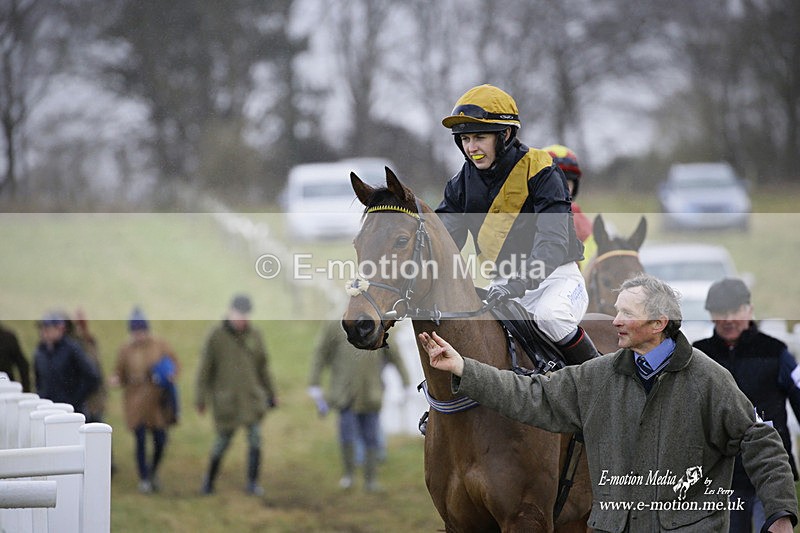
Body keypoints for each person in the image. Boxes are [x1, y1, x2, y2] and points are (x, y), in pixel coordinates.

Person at [418, 274, 797, 532]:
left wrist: (780, 512)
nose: (613, 321)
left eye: (626, 314)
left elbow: (759, 440)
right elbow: (530, 395)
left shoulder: (708, 379)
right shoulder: (596, 376)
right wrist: (465, 369)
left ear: (658, 323)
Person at [436, 84, 596, 365]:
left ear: (505, 134)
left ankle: (599, 384)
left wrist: (518, 283)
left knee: (552, 318)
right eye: (465, 139)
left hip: (554, 280)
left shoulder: (542, 170)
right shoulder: (460, 183)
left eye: (480, 137)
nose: (471, 148)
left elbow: (553, 242)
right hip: (502, 285)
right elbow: (443, 241)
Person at [693, 278, 800, 533]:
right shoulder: (698, 357)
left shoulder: (777, 352)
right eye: (721, 312)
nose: (728, 319)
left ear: (749, 310)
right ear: (710, 314)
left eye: (735, 310)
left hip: (771, 476)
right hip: (721, 478)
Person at [308, 319, 411, 492]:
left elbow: (395, 355)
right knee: (347, 436)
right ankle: (349, 476)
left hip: (371, 393)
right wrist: (314, 383)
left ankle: (371, 480)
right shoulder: (335, 325)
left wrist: (406, 383)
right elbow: (320, 353)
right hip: (344, 394)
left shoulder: (378, 325)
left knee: (371, 437)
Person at [196, 294, 278, 496]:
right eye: (239, 314)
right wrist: (200, 398)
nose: (243, 319)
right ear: (230, 312)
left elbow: (263, 367)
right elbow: (204, 370)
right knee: (221, 443)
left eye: (246, 315)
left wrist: (271, 393)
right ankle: (209, 482)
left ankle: (252, 483)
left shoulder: (255, 335)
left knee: (255, 440)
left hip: (251, 400)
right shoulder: (216, 336)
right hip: (227, 402)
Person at [114, 307, 180, 494]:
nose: (138, 335)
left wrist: (169, 374)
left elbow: (174, 364)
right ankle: (144, 477)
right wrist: (117, 379)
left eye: (141, 330)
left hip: (157, 401)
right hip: (135, 402)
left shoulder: (159, 345)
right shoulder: (125, 350)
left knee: (160, 439)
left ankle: (153, 471)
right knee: (140, 439)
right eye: (135, 331)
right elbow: (120, 373)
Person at [33, 311, 100, 415]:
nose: (44, 332)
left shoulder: (72, 349)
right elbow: (39, 380)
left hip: (70, 412)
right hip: (47, 410)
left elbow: (92, 376)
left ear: (60, 329)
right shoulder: (40, 351)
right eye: (43, 328)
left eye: (48, 328)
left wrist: (75, 400)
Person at [541, 144, 596, 270]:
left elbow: (590, 265)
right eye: (553, 182)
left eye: (567, 183)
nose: (561, 189)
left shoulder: (581, 222)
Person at [67, 309, 108, 424]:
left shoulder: (90, 342)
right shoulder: (71, 346)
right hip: (81, 398)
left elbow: (97, 369)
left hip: (95, 398)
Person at [0, 321, 31, 391]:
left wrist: (26, 391)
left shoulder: (8, 338)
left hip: (6, 390)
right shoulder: (8, 337)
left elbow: (23, 366)